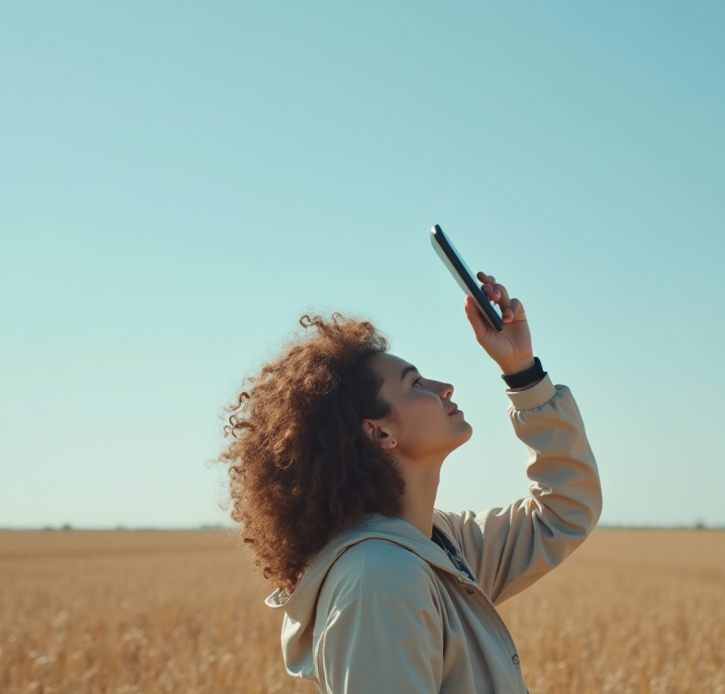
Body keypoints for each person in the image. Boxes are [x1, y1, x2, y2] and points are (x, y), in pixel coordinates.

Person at [220, 272, 602, 693]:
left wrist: (522, 370)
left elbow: (563, 510)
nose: (443, 388)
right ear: (380, 433)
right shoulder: (381, 580)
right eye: (415, 383)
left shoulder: (436, 545)